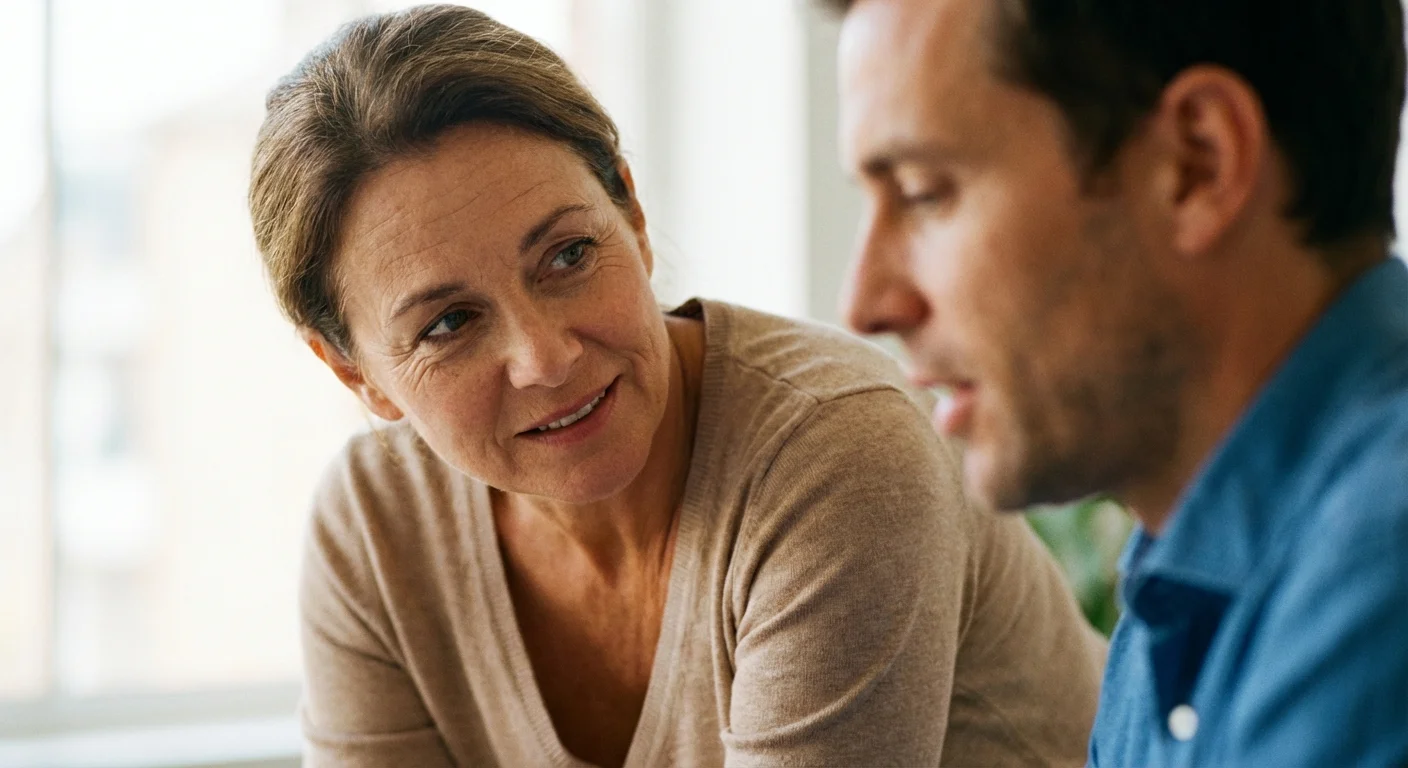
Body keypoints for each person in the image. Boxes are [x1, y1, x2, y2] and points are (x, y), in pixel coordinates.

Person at [248, 5, 1104, 766]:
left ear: (633, 214)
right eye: (447, 325)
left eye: (568, 256)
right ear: (356, 373)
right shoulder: (373, 530)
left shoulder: (836, 453)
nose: (545, 359)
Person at [827, 0, 1408, 765]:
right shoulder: (1182, 567)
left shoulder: (1378, 569)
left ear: (1197, 163)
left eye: (926, 192)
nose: (865, 303)